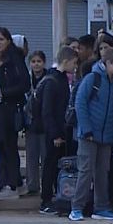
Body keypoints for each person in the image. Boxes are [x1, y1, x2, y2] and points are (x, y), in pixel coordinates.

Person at [68, 48, 113, 221]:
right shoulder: (92, 79)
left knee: (103, 171)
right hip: (89, 135)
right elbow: (80, 103)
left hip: (106, 136)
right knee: (85, 170)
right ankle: (77, 207)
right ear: (108, 63)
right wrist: (86, 129)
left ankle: (101, 207)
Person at [0, 27, 31, 200]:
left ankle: (13, 186)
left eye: (1, 39)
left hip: (10, 108)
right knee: (3, 147)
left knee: (9, 147)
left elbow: (24, 85)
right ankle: (16, 183)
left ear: (9, 41)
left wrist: (2, 92)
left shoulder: (14, 59)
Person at [38, 47, 79, 215]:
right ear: (66, 61)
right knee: (49, 164)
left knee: (58, 165)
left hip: (62, 130)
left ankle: (58, 196)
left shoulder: (61, 79)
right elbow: (47, 111)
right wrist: (54, 134)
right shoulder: (52, 81)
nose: (75, 66)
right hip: (53, 132)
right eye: (74, 63)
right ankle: (46, 200)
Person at [25, 50, 48, 196]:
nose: (36, 64)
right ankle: (32, 185)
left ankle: (46, 185)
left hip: (45, 122)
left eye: (39, 61)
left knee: (45, 156)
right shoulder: (27, 79)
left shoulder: (49, 78)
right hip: (30, 122)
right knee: (31, 156)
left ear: (44, 62)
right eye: (33, 61)